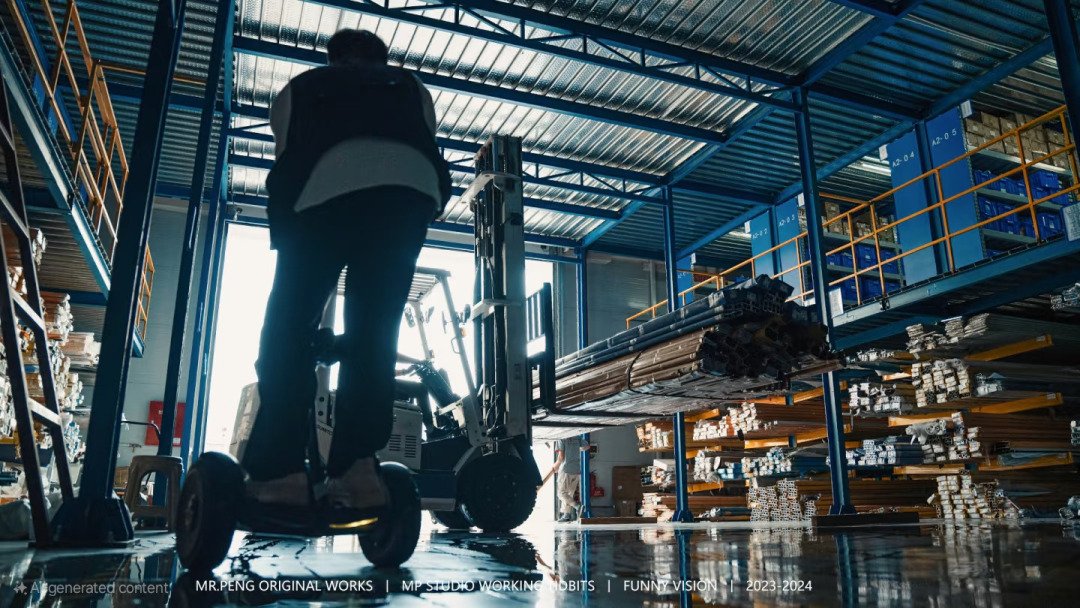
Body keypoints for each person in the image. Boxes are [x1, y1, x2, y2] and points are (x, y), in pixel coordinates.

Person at [241, 29, 450, 517]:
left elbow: (289, 157)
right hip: (408, 198)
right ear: (383, 59)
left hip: (322, 196)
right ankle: (357, 471)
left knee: (287, 332)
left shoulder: (303, 86)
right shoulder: (411, 87)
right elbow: (424, 139)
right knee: (375, 332)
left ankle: (281, 474)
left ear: (335, 57)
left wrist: (290, 232)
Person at [553, 436, 589, 522]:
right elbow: (587, 446)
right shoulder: (577, 437)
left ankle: (577, 506)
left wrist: (556, 465)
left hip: (566, 469)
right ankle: (566, 515)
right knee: (569, 493)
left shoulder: (561, 438)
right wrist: (576, 450)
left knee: (561, 493)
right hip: (577, 469)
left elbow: (561, 457)